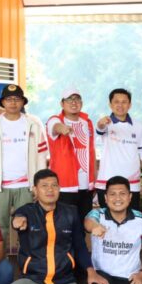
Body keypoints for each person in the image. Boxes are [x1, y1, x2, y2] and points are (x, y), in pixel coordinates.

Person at [1, 169, 109, 284]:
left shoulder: (70, 212)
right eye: (44, 186)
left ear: (59, 188)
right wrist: (17, 222)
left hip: (63, 282)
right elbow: (18, 217)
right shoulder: (27, 211)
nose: (50, 189)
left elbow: (80, 245)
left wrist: (91, 271)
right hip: (33, 281)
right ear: (35, 190)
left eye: (54, 185)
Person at [0, 85, 48, 247]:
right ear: (2, 102)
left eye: (17, 99)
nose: (13, 103)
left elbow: (41, 157)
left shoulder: (33, 125)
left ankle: (28, 261)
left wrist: (39, 186)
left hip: (27, 186)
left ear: (23, 102)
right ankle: (0, 262)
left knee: (28, 227)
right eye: (9, 99)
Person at [95, 88, 142, 211]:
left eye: (124, 102)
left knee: (132, 218)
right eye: (116, 102)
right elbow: (99, 128)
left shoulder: (138, 126)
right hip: (106, 183)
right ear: (110, 104)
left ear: (129, 105)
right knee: (107, 219)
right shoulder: (106, 123)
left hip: (132, 185)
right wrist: (101, 123)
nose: (120, 105)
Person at [46, 88, 96, 220]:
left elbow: (92, 152)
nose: (74, 102)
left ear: (81, 103)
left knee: (85, 223)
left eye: (77, 99)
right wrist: (62, 128)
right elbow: (55, 127)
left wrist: (94, 182)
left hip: (86, 186)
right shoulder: (55, 119)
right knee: (65, 224)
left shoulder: (87, 122)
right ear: (62, 104)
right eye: (69, 99)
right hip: (64, 186)